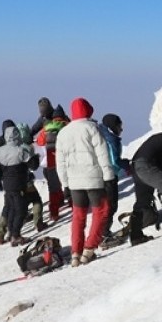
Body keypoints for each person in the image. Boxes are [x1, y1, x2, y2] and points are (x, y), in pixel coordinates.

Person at [54, 98, 116, 266]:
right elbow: (103, 154)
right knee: (101, 211)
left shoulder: (64, 133)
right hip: (93, 178)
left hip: (74, 182)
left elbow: (60, 162)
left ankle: (75, 253)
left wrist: (64, 184)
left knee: (78, 216)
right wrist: (109, 177)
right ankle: (89, 249)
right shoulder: (92, 128)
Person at [0, 124, 40, 247]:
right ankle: (15, 236)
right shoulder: (21, 150)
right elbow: (33, 166)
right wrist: (36, 157)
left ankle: (10, 233)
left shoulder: (0, 150)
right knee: (21, 210)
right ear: (17, 135)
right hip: (19, 184)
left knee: (11, 209)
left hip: (7, 184)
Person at [97, 113, 130, 245]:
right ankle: (104, 234)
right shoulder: (111, 139)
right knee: (110, 205)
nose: (121, 130)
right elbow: (114, 160)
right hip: (109, 175)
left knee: (104, 206)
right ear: (113, 126)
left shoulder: (102, 135)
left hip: (100, 175)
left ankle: (102, 232)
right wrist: (126, 165)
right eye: (119, 127)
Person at [37, 104, 70, 222]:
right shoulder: (67, 125)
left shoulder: (46, 128)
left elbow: (40, 142)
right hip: (66, 159)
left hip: (51, 160)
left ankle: (54, 213)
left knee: (53, 187)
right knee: (69, 182)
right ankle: (72, 204)